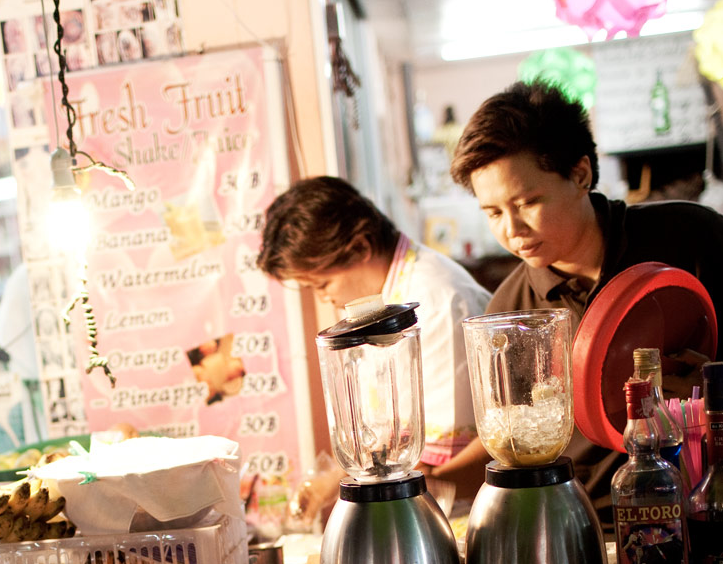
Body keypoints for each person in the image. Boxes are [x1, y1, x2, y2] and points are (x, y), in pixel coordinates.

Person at [441, 80, 723, 508]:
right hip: (591, 528)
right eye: (493, 212)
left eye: (528, 202)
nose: (512, 231)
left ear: (580, 174)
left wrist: (709, 393)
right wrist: (427, 484)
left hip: (704, 510)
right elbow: (508, 441)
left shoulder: (691, 239)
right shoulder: (511, 313)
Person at [256, 176, 489, 517]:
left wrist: (344, 481)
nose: (325, 297)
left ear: (361, 247)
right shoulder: (384, 302)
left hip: (461, 513)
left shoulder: (436, 299)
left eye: (322, 283)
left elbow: (434, 459)